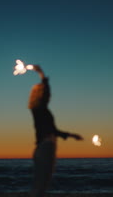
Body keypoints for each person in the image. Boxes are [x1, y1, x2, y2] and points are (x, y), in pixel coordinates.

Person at [28, 65, 83, 197]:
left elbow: (54, 130)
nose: (50, 95)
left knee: (41, 185)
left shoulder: (40, 110)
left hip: (44, 148)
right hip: (45, 148)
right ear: (41, 94)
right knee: (40, 186)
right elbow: (46, 90)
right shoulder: (40, 109)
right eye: (47, 93)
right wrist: (41, 73)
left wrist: (71, 135)